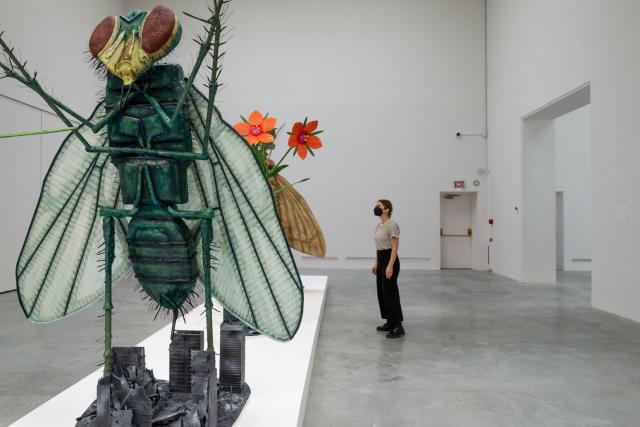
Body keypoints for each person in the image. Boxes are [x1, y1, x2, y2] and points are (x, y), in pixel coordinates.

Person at [371, 199, 405, 338]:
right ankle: (390, 322)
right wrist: (376, 263)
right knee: (382, 292)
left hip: (390, 260)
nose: (376, 207)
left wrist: (390, 265)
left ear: (386, 209)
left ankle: (398, 326)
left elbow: (395, 247)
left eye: (379, 206)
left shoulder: (392, 225)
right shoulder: (379, 225)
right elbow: (378, 247)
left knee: (390, 293)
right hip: (381, 259)